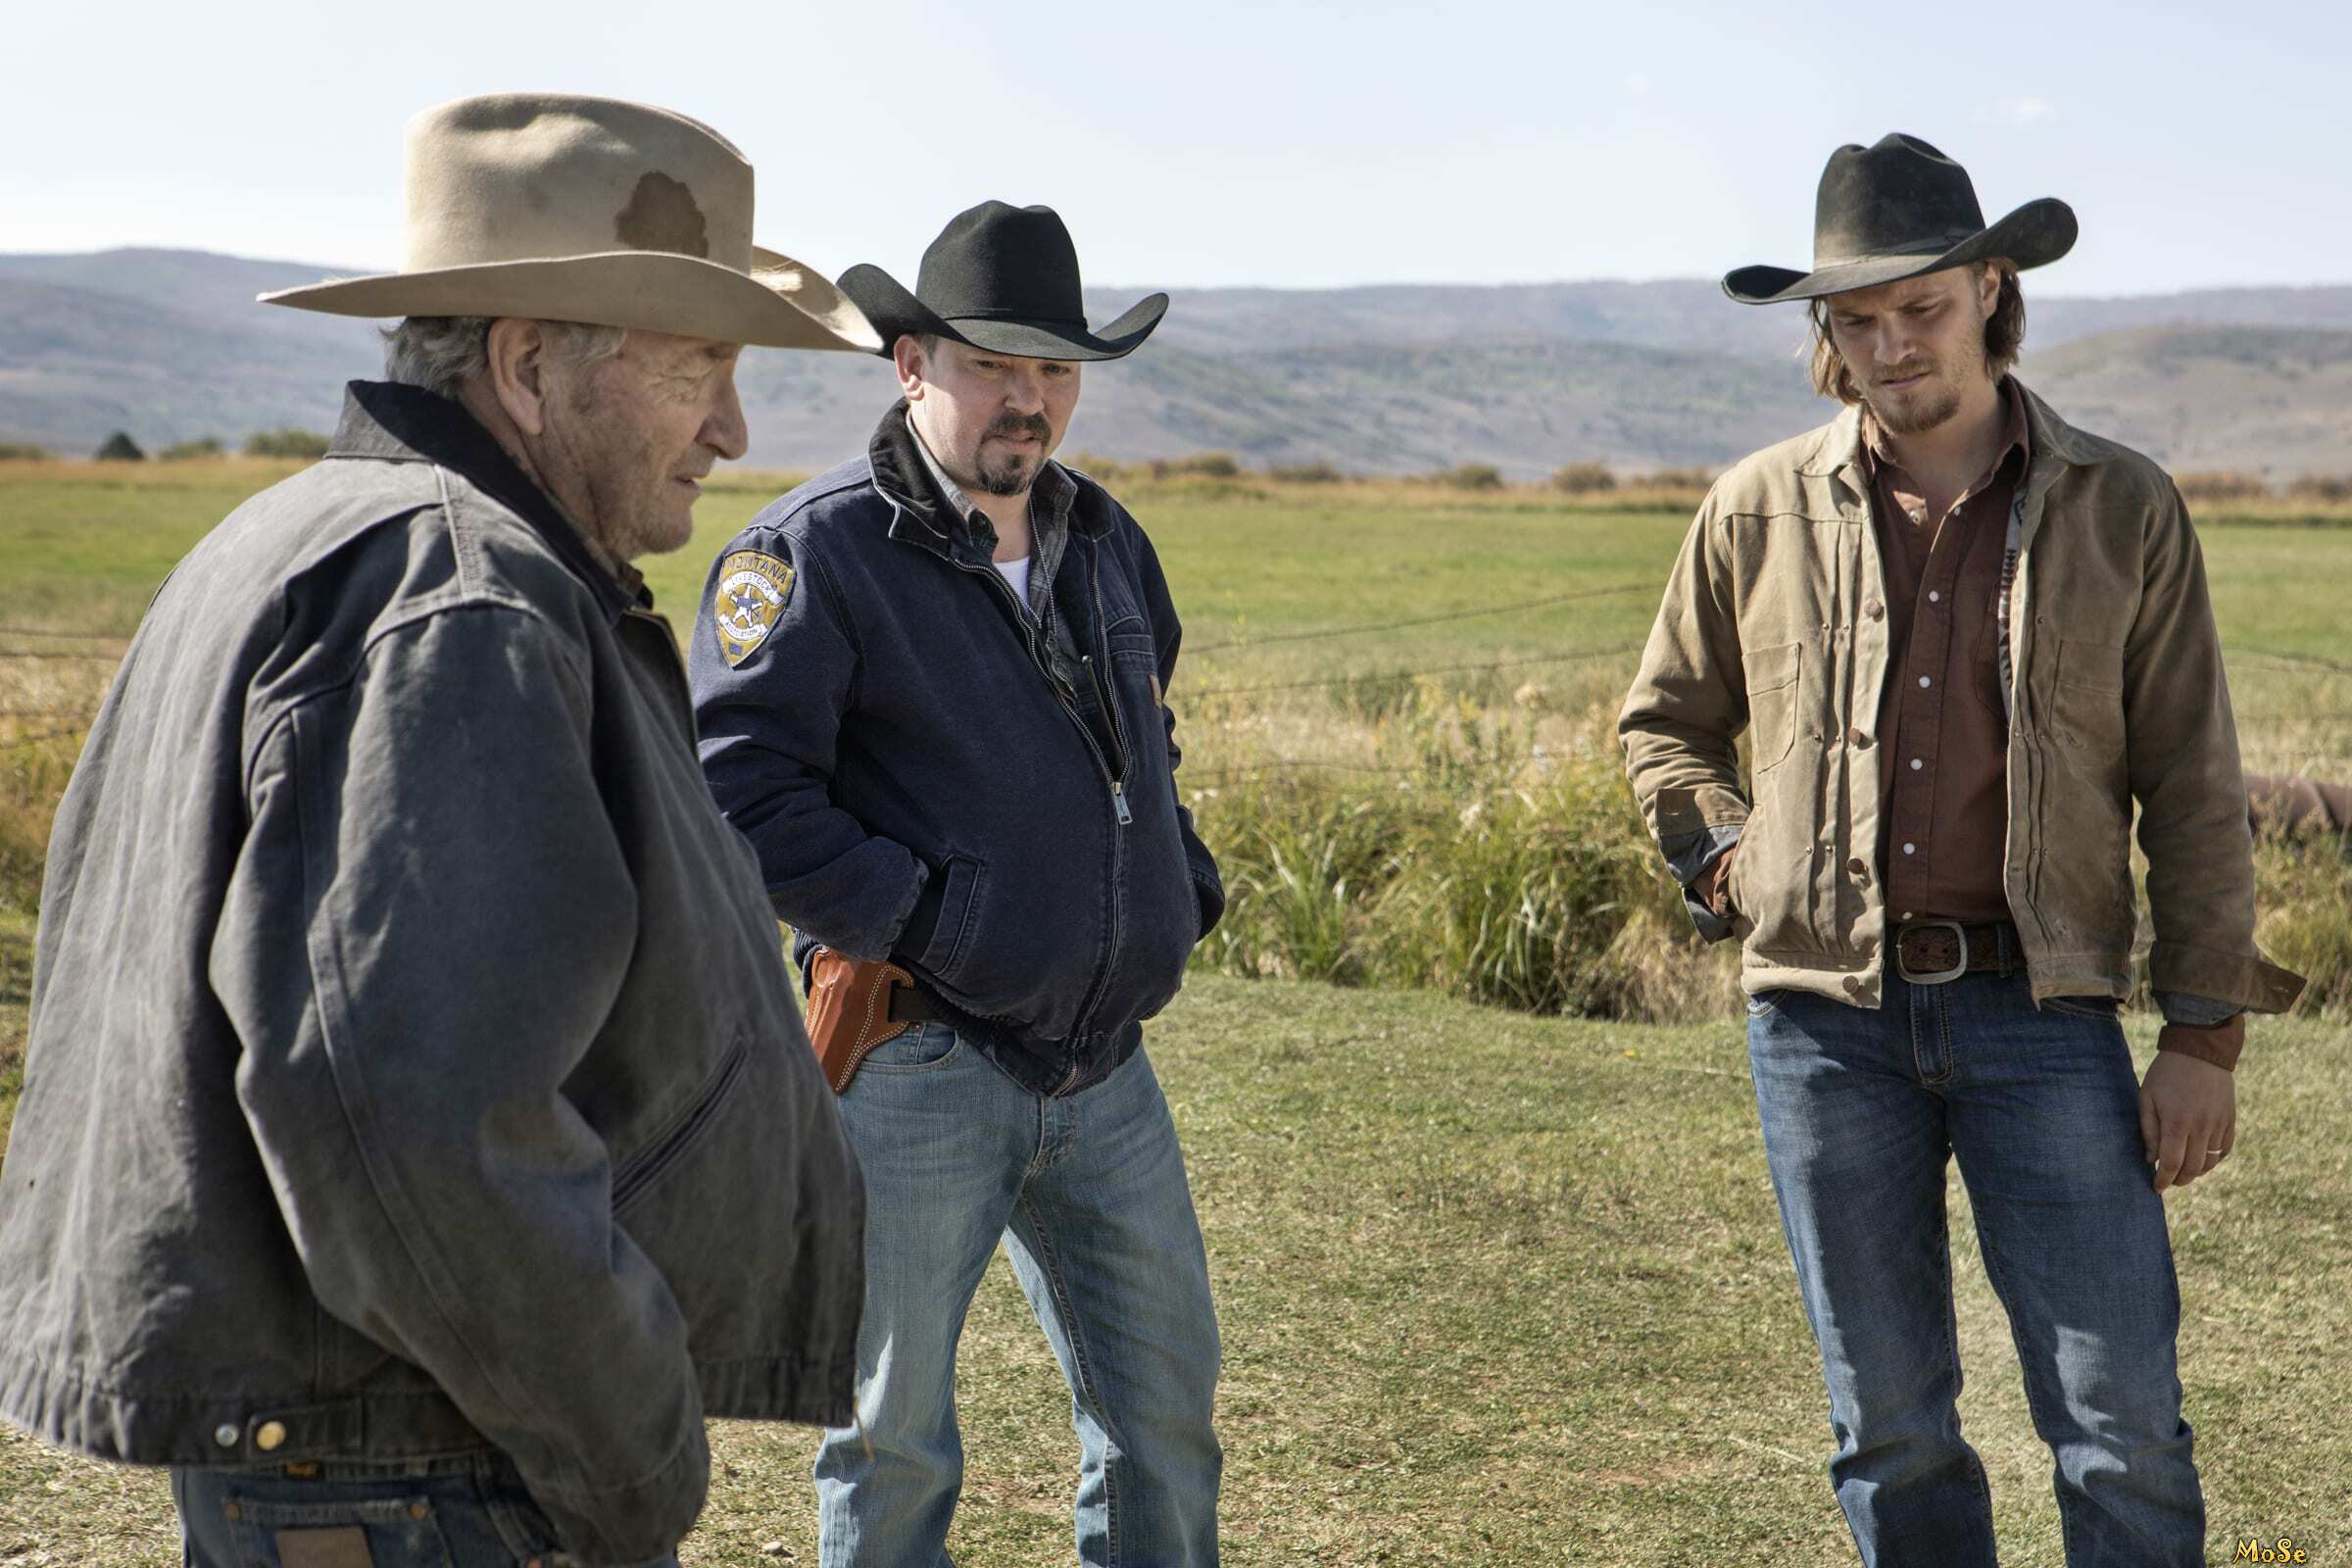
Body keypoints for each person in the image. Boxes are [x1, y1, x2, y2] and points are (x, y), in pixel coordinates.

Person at [0, 93, 878, 1568]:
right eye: (699, 368)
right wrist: (630, 1447)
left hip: (382, 1447)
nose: (732, 429)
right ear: (527, 366)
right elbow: (415, 1120)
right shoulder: (458, 598)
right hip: (432, 1462)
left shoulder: (309, 535)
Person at [1619, 133, 2304, 1566]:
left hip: (2042, 1018)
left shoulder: (2123, 506)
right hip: (1823, 1028)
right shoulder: (1754, 507)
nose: (1889, 346)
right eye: (1856, 318)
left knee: (2121, 1426)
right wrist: (1729, 861)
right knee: (1889, 1429)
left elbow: (2190, 786)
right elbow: (1664, 727)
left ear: (1993, 290)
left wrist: (2204, 1037)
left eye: (1919, 308)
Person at [690, 200, 1225, 1567]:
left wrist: (1175, 876)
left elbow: (1146, 733)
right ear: (913, 363)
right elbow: (738, 795)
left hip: (1107, 1069)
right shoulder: (811, 554)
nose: (1028, 399)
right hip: (914, 1063)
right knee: (893, 1444)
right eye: (993, 365)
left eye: (1054, 368)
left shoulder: (1105, 538)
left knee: (1166, 1426)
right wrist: (933, 921)